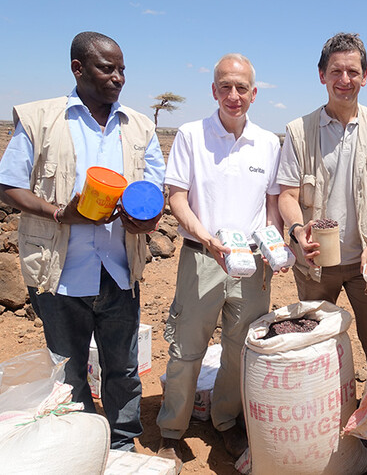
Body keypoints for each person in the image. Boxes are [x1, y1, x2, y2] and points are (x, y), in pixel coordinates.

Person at [0, 31, 166, 451]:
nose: (118, 77)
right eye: (107, 68)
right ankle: (81, 444)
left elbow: (153, 190)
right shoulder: (41, 119)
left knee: (123, 368)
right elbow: (8, 186)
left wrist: (143, 220)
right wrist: (60, 213)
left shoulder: (139, 126)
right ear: (78, 69)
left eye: (122, 69)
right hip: (60, 274)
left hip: (118, 270)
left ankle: (123, 444)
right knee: (70, 370)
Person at [276, 32, 367, 473]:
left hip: (364, 264)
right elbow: (288, 194)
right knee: (313, 345)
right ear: (322, 75)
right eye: (336, 70)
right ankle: (316, 431)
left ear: (365, 76)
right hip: (315, 264)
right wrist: (298, 231)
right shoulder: (299, 131)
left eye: (353, 71)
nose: (344, 78)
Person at [156, 53, 283, 472]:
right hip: (202, 258)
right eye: (225, 86)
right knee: (186, 350)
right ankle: (171, 431)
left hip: (251, 264)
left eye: (241, 87)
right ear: (213, 90)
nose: (233, 95)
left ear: (254, 93)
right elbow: (176, 196)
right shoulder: (192, 135)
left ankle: (226, 420)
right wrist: (207, 238)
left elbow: (271, 207)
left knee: (238, 350)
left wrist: (271, 243)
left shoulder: (267, 143)